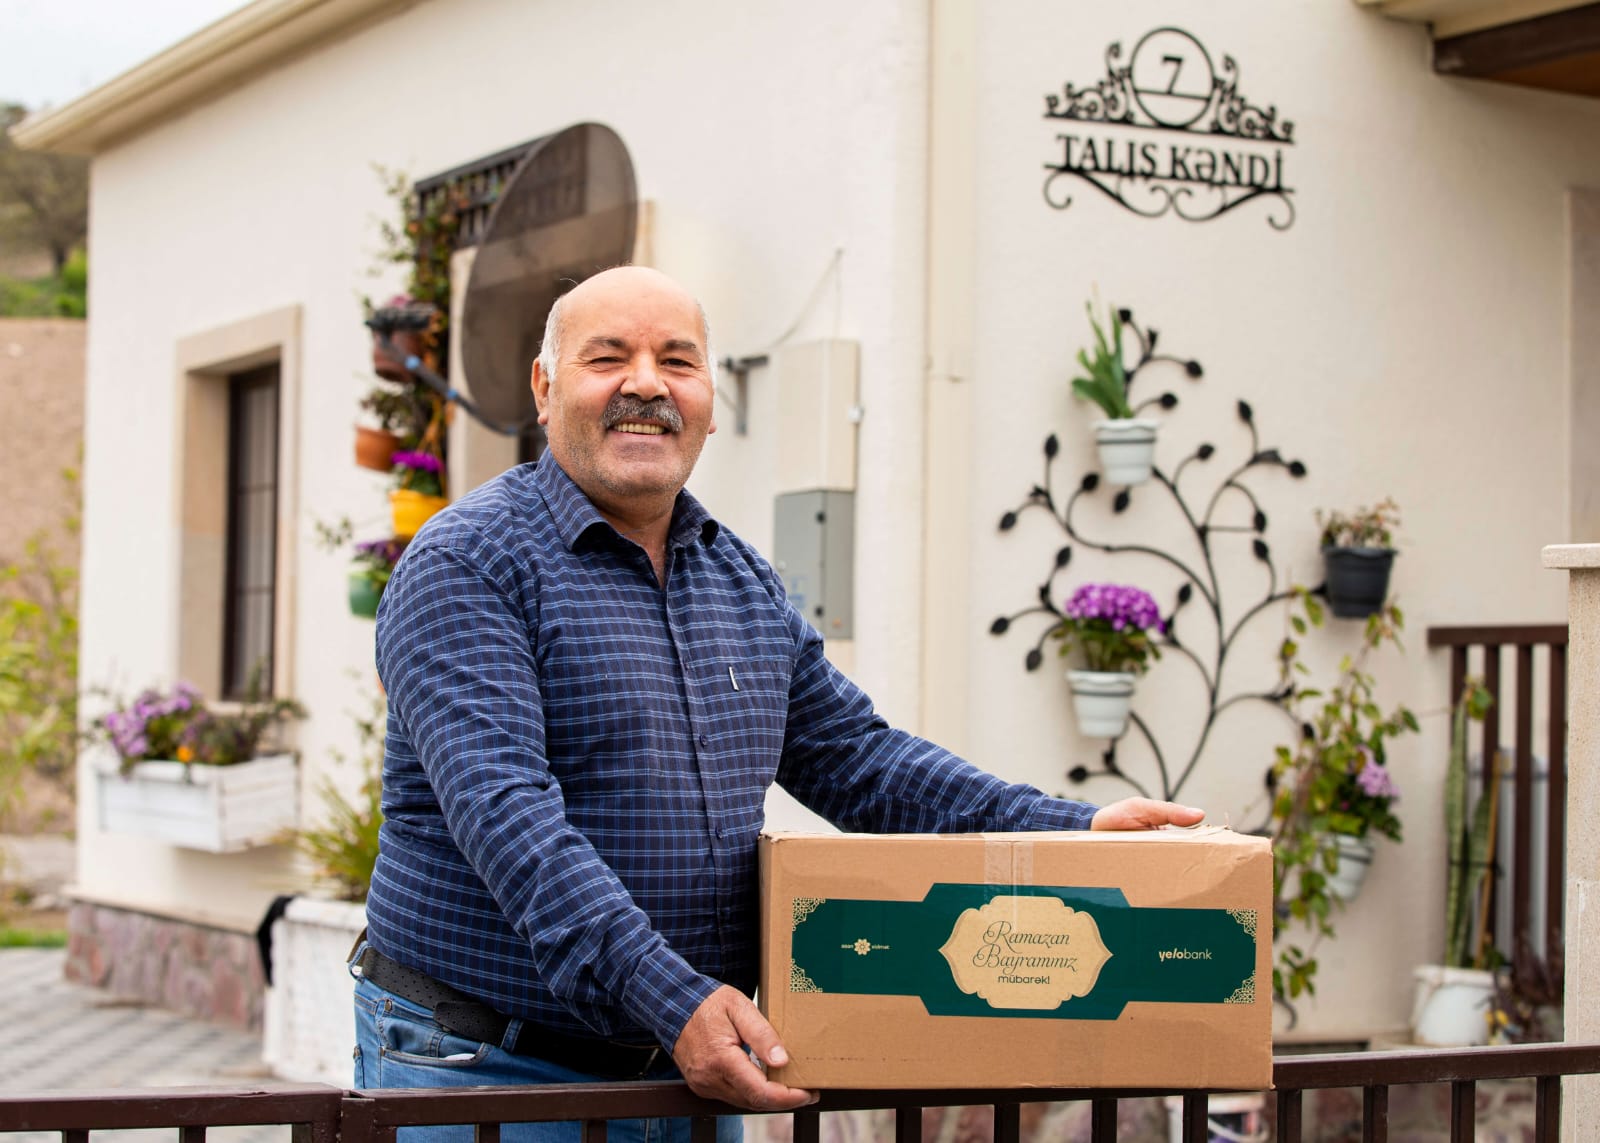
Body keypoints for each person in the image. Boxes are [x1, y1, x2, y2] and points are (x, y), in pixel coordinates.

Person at [354, 266, 1204, 1141]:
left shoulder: (741, 581)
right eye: (607, 357)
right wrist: (675, 1000)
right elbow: (508, 816)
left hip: (689, 1071)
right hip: (490, 1071)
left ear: (710, 400)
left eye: (676, 361)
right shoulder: (468, 564)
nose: (646, 384)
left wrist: (1073, 828)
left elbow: (862, 762)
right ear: (544, 387)